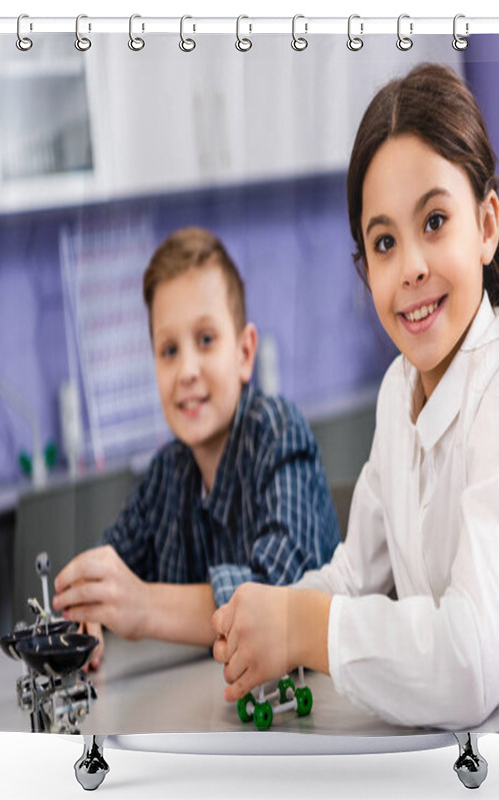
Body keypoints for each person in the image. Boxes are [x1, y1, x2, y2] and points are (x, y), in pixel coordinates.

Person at [211, 64, 499, 730]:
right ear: (365, 267)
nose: (410, 265)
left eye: (435, 221)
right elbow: (353, 576)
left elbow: (470, 663)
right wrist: (268, 615)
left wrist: (309, 628)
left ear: (487, 225)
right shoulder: (397, 395)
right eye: (384, 241)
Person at [53, 227, 340, 670]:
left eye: (206, 340)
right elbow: (112, 568)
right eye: (168, 350)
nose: (186, 370)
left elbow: (286, 596)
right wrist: (91, 609)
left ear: (245, 353)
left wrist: (144, 606)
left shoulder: (278, 431)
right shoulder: (168, 471)